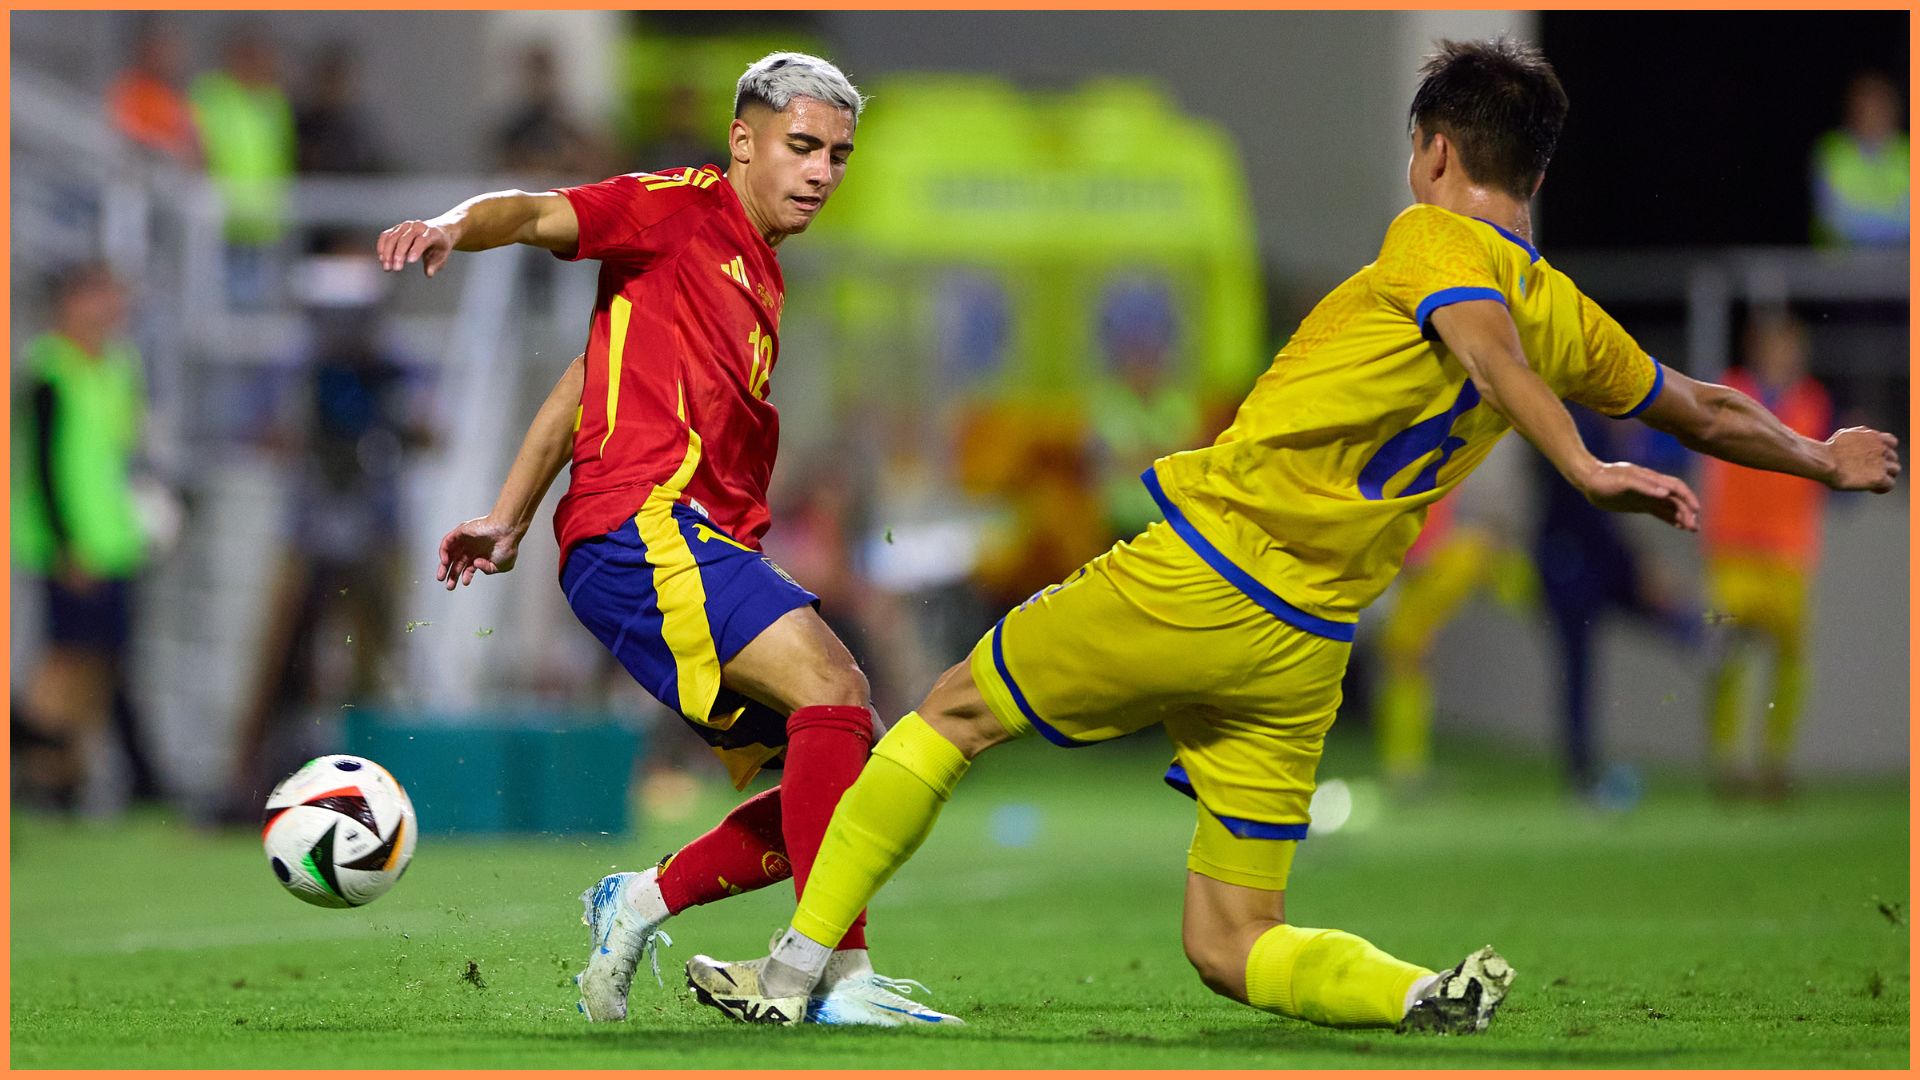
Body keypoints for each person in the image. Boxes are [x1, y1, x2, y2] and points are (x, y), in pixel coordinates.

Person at [685, 37, 1902, 1033]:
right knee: (1230, 941)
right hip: (1307, 647)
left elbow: (1479, 340)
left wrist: (1580, 462)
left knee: (948, 713)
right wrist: (1814, 452)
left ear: (1434, 150)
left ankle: (791, 978)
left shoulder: (1434, 238)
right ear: (1534, 167)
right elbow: (1696, 402)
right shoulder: (1563, 310)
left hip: (1200, 574)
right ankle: (1418, 994)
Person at [380, 52, 957, 1028]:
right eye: (803, 146)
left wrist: (509, 514)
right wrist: (450, 225)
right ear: (744, 141)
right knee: (839, 692)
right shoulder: (680, 206)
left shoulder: (757, 270)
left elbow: (581, 381)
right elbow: (528, 211)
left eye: (840, 156)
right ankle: (832, 981)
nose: (821, 171)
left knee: (842, 762)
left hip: (684, 539)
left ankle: (643, 900)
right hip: (640, 526)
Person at [10, 262, 166, 811]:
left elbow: (124, 454)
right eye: (97, 295)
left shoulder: (119, 365)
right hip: (71, 544)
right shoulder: (48, 369)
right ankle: (42, 767)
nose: (109, 308)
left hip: (114, 540)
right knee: (68, 660)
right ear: (68, 302)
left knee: (102, 660)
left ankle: (64, 776)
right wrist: (63, 543)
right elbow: (43, 467)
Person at [1699, 310, 1834, 799]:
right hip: (1732, 548)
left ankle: (1776, 762)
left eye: (1792, 347)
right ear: (1757, 348)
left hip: (1789, 553)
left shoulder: (1812, 400)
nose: (1787, 356)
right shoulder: (1730, 389)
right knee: (1725, 658)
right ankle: (1729, 762)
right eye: (1778, 346)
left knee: (1791, 660)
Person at [1811, 72, 1908, 247]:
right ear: (1852, 109)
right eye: (1866, 105)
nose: (1874, 113)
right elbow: (1833, 219)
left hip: (1900, 262)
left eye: (1881, 105)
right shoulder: (1834, 151)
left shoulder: (1909, 153)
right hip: (1843, 263)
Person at [107, 17, 199, 166]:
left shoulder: (177, 98)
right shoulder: (131, 91)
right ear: (147, 49)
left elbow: (193, 145)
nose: (170, 57)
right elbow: (127, 137)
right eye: (162, 48)